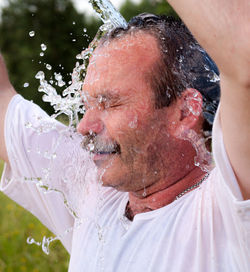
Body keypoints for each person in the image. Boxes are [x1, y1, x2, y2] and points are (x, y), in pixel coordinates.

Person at [0, 1, 249, 271]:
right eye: (86, 105)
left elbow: (243, 56)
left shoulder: (228, 211)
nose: (84, 126)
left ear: (186, 112)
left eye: (109, 104)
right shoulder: (91, 190)